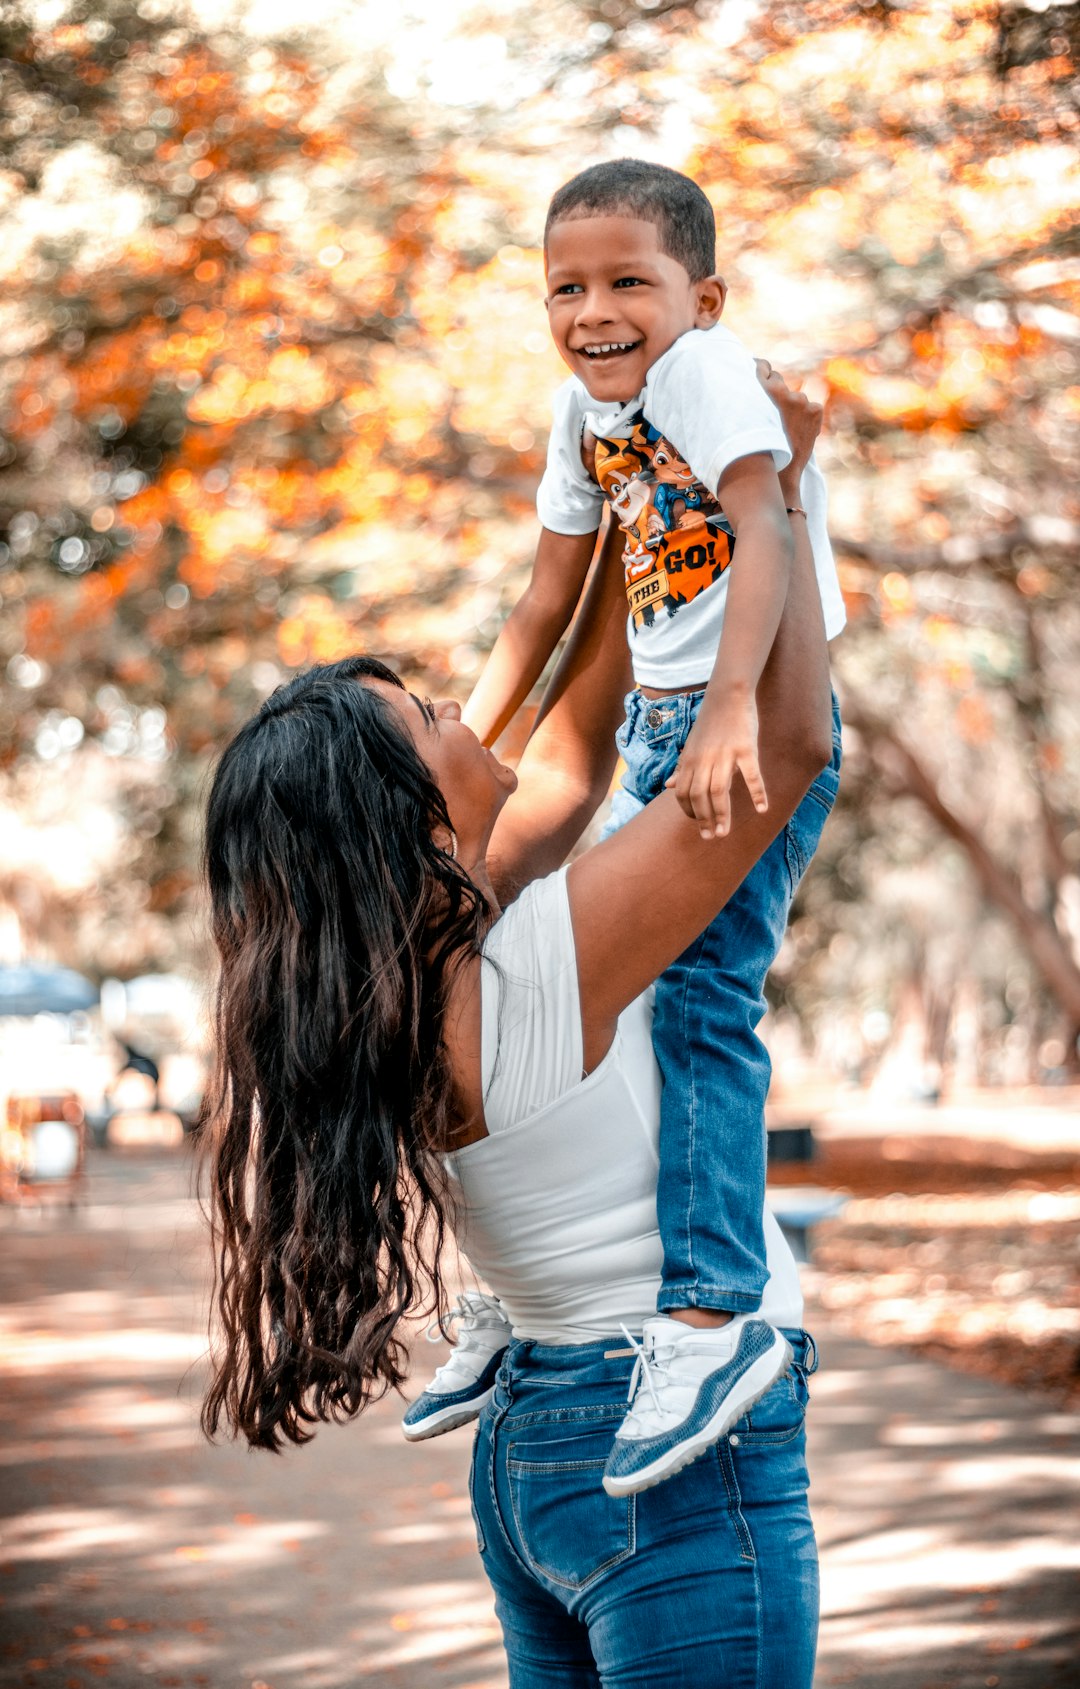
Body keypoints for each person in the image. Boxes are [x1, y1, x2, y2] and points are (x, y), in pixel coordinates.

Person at [200, 370, 833, 1685]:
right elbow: (788, 732)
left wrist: (622, 521)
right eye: (431, 718)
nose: (460, 708)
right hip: (666, 1471)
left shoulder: (410, 993)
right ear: (410, 824)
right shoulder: (542, 964)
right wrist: (788, 491)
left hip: (538, 1455)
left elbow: (573, 749)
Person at [425, 160, 846, 1493]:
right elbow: (545, 605)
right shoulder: (580, 411)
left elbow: (763, 526)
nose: (594, 310)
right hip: (668, 726)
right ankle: (532, 1290)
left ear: (700, 298)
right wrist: (447, 767)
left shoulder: (710, 374)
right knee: (574, 976)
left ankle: (715, 1312)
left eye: (629, 283)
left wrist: (727, 713)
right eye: (566, 284)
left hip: (732, 725)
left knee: (705, 1002)